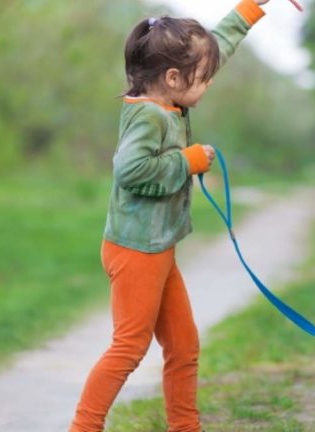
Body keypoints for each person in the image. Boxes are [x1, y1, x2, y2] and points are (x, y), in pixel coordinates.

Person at [70, 1, 274, 431]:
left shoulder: (168, 98)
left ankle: (186, 427)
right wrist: (190, 160)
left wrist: (252, 8)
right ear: (173, 78)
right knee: (128, 347)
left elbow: (216, 46)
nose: (210, 82)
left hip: (157, 248)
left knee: (183, 345)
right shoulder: (148, 115)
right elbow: (130, 171)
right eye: (204, 78)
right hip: (136, 251)